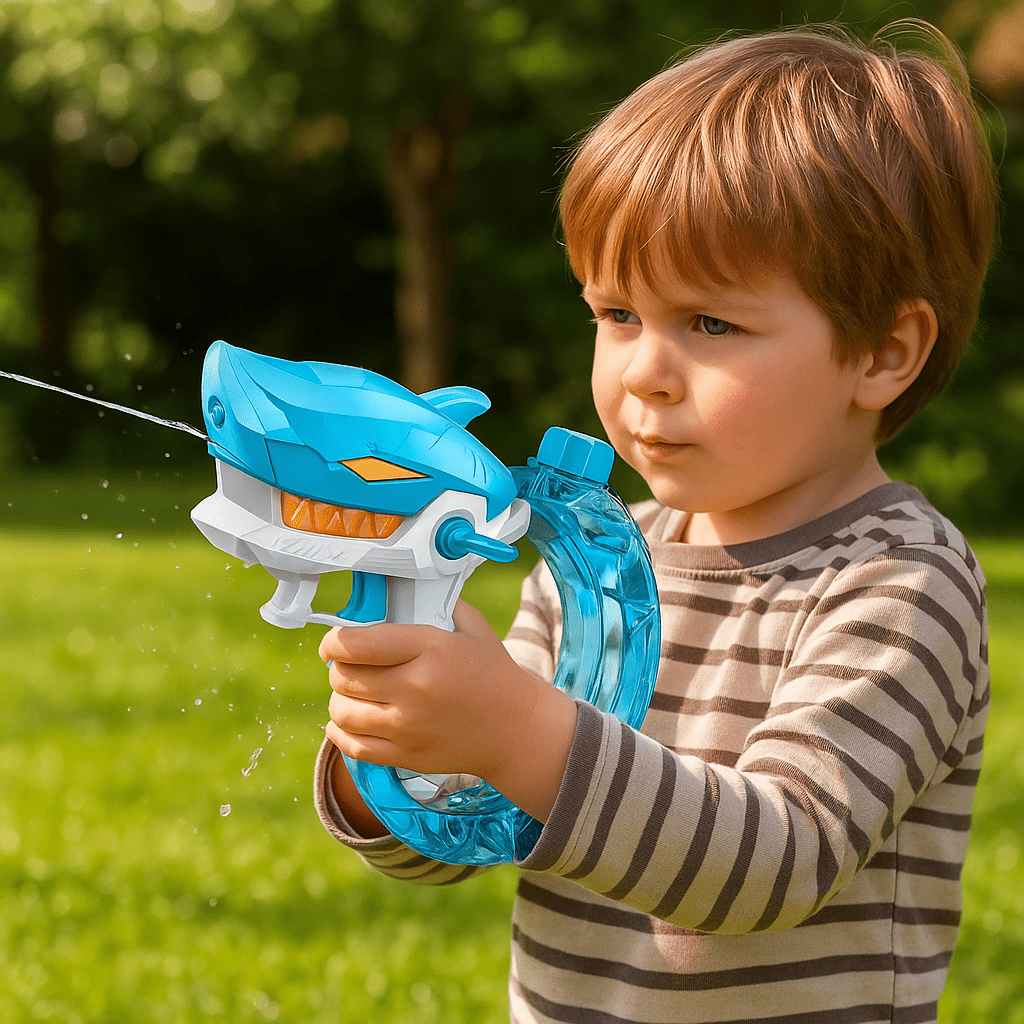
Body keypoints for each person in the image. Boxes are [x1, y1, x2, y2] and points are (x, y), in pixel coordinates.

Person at [315, 20, 996, 1024]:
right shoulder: (595, 559)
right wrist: (393, 755)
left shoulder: (899, 583)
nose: (643, 372)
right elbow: (481, 829)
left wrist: (514, 726)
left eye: (711, 323)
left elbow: (772, 866)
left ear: (882, 352)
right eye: (617, 314)